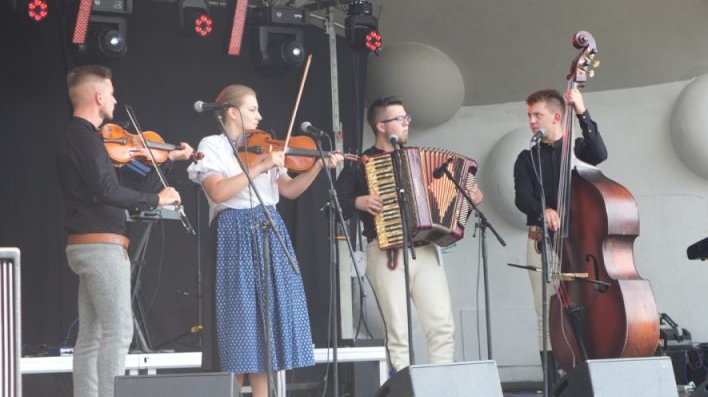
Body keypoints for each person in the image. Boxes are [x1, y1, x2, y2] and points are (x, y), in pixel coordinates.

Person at [187, 84, 342, 397]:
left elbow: (289, 191)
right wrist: (259, 165)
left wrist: (317, 167)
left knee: (265, 339)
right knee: (239, 331)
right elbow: (218, 192)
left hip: (269, 229)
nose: (260, 116)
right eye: (252, 109)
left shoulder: (265, 148)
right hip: (234, 234)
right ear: (232, 112)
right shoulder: (213, 145)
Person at [57, 65, 193, 397]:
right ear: (99, 95)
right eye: (112, 93)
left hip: (86, 245)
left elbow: (114, 187)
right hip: (101, 246)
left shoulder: (79, 137)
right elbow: (109, 191)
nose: (116, 100)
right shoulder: (84, 136)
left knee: (92, 335)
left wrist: (168, 159)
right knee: (118, 331)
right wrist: (155, 198)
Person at [335, 96, 484, 372]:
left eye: (407, 118)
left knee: (441, 325)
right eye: (400, 119)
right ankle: (403, 388)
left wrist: (469, 200)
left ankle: (440, 387)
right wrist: (359, 201)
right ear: (381, 126)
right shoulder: (359, 165)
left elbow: (449, 208)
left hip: (425, 249)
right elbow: (335, 203)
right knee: (398, 333)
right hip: (385, 253)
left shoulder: (416, 160)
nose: (406, 124)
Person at [512, 88, 607, 385]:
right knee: (546, 311)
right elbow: (522, 198)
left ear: (555, 116)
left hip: (579, 243)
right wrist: (544, 210)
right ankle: (553, 382)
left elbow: (600, 153)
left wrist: (582, 111)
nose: (531, 121)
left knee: (582, 307)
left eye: (536, 115)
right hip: (541, 242)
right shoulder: (527, 158)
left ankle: (587, 374)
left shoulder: (577, 151)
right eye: (529, 115)